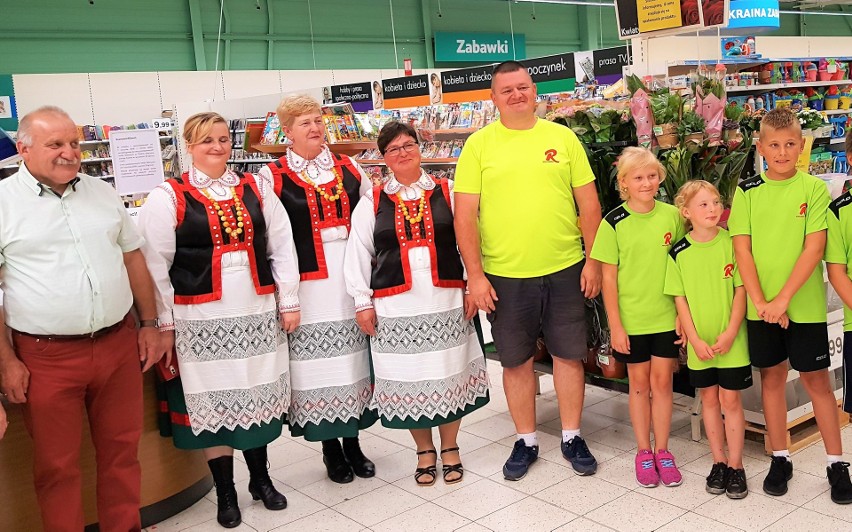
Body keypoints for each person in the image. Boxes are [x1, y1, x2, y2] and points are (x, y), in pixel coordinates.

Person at [0, 106, 168, 531]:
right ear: (23, 149)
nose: (69, 153)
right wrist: (6, 361)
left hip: (117, 344)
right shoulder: (3, 204)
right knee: (57, 467)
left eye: (73, 143)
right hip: (45, 357)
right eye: (55, 144)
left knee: (121, 455)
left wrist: (148, 323)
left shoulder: (101, 192)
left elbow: (132, 259)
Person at [138, 112, 300, 528]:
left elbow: (281, 245)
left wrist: (289, 300)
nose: (217, 147)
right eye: (207, 140)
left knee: (256, 395)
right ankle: (225, 490)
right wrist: (165, 322)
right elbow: (155, 265)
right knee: (214, 399)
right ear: (189, 145)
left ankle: (260, 480)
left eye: (223, 139)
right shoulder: (167, 196)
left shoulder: (256, 187)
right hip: (200, 316)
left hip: (256, 310)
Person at [454, 60, 603, 481]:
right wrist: (476, 275)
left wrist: (592, 260)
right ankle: (527, 440)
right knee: (516, 361)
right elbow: (465, 215)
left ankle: (572, 435)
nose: (517, 95)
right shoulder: (478, 146)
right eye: (507, 90)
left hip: (565, 267)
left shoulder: (563, 137)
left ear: (534, 90)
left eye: (522, 87)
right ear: (494, 98)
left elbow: (588, 205)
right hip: (504, 275)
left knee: (569, 355)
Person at [344, 122, 490, 486]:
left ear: (420, 148)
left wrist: (474, 283)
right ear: (383, 158)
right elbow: (358, 253)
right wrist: (362, 302)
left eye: (408, 145)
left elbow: (470, 240)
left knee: (449, 371)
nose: (403, 153)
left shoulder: (448, 191)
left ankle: (451, 446)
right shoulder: (371, 201)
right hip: (395, 305)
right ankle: (424, 450)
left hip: (446, 299)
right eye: (393, 149)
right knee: (411, 378)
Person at [729, 107, 852, 504]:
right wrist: (764, 301)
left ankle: (836, 462)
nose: (782, 152)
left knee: (818, 382)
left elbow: (813, 247)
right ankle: (779, 457)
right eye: (774, 145)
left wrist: (783, 299)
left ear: (802, 147)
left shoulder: (813, 190)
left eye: (789, 145)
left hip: (805, 306)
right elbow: (742, 251)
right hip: (761, 306)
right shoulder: (746, 191)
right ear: (761, 148)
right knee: (773, 380)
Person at [258, 95, 377, 484]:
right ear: (287, 131)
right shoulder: (271, 177)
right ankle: (330, 449)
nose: (314, 128)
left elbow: (372, 220)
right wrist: (284, 296)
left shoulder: (349, 168)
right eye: (305, 122)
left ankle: (354, 442)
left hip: (348, 281)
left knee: (352, 363)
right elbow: (271, 239)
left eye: (317, 121)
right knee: (318, 370)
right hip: (307, 285)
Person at [590, 147, 685, 489]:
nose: (646, 183)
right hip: (631, 321)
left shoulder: (673, 216)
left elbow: (682, 267)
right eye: (637, 178)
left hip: (666, 318)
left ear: (659, 179)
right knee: (639, 386)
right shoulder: (613, 222)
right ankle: (643, 451)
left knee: (663, 385)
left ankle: (663, 450)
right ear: (624, 183)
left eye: (651, 176)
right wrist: (616, 325)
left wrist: (682, 315)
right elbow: (609, 280)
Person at [665, 180, 751, 499]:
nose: (712, 209)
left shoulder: (732, 243)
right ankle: (719, 462)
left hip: (732, 341)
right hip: (700, 344)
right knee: (710, 400)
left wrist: (730, 331)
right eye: (703, 204)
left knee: (731, 400)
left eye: (715, 202)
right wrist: (694, 338)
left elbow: (741, 290)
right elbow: (680, 300)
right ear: (686, 212)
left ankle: (737, 466)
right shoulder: (679, 252)